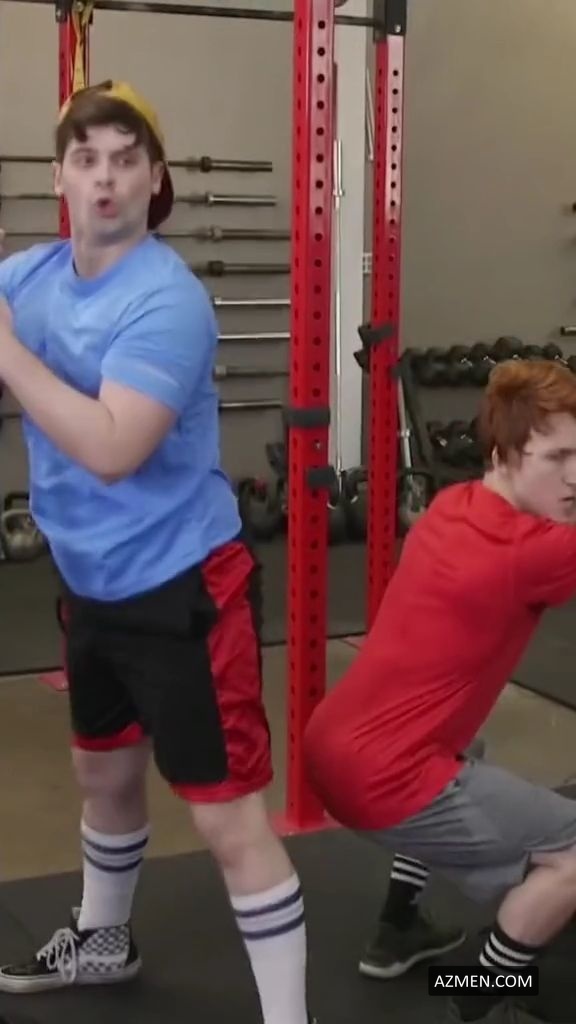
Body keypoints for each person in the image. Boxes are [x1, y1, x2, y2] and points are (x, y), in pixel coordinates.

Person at [0, 81, 313, 1024]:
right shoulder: (30, 278)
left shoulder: (167, 300)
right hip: (91, 584)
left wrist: (7, 355)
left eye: (125, 160)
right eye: (86, 159)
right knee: (103, 774)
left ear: (155, 179)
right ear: (59, 176)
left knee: (224, 816)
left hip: (184, 588)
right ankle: (105, 941)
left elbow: (110, 449)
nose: (104, 178)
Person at [304, 357, 576, 1024]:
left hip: (333, 744)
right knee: (572, 856)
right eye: (556, 458)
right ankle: (477, 994)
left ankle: (400, 925)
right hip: (388, 779)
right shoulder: (533, 551)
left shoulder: (451, 506)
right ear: (502, 454)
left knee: (463, 746)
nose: (575, 477)